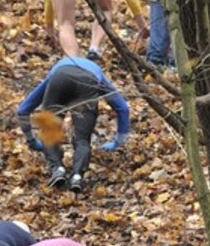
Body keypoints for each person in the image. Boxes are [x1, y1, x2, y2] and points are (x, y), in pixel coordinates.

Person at [16, 56, 129, 192]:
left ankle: (57, 168)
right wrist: (119, 142)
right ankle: (77, 176)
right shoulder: (97, 72)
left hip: (60, 78)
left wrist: (31, 140)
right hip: (88, 82)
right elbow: (123, 108)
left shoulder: (57, 69)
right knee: (82, 138)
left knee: (50, 131)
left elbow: (23, 109)